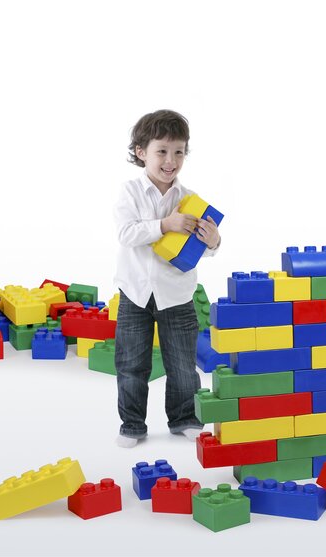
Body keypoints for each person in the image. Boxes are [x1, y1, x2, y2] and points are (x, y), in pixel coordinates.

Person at [113, 109, 221, 448]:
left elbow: (200, 250)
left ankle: (184, 418)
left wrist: (213, 241)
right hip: (135, 293)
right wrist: (165, 225)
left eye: (179, 152)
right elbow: (126, 234)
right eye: (162, 151)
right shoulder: (130, 192)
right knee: (131, 364)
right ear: (141, 152)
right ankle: (132, 424)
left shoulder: (189, 199)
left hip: (177, 294)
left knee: (183, 365)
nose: (170, 160)